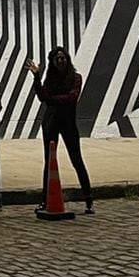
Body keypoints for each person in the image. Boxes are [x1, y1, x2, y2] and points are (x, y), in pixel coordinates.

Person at [25, 45, 95, 215]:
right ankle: (44, 200)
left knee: (76, 159)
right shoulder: (50, 79)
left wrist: (52, 99)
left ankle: (89, 200)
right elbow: (42, 97)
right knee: (49, 162)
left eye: (62, 58)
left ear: (67, 59)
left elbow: (72, 98)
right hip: (51, 122)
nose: (60, 61)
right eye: (57, 59)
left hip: (68, 123)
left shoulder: (76, 77)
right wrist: (36, 78)